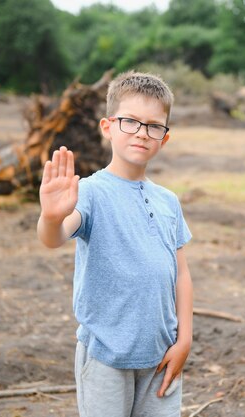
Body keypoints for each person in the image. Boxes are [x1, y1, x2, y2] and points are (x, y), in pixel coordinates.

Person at [37, 70, 193, 417]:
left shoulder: (168, 201)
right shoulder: (91, 192)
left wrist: (184, 340)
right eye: (130, 121)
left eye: (154, 125)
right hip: (107, 355)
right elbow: (55, 237)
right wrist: (50, 217)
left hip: (161, 355)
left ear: (164, 138)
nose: (142, 132)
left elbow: (181, 274)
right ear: (107, 127)